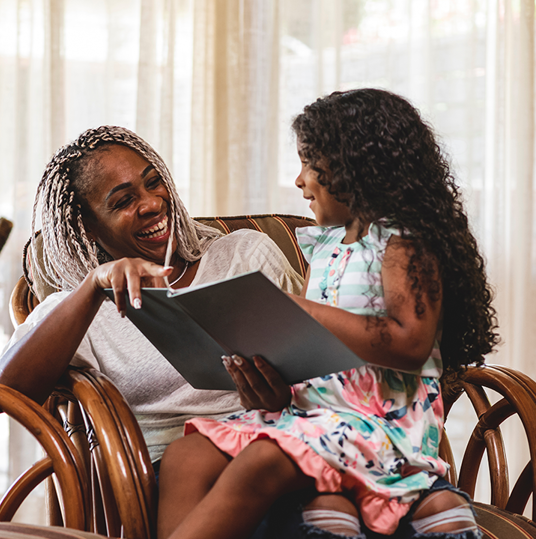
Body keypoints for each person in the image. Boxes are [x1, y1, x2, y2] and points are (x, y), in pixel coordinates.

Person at [156, 89, 498, 539]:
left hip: (381, 424)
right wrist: (271, 376)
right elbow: (322, 357)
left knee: (260, 461)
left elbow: (410, 343)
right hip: (314, 413)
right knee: (187, 454)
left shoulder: (402, 242)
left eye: (308, 163)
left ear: (356, 167)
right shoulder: (325, 245)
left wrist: (294, 310)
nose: (299, 181)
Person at [0, 125, 304, 464]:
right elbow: (10, 390)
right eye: (124, 201)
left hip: (277, 449)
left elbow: (320, 365)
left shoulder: (245, 255)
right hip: (163, 475)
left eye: (154, 182)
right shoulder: (83, 309)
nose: (153, 204)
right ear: (89, 228)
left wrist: (283, 399)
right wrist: (95, 284)